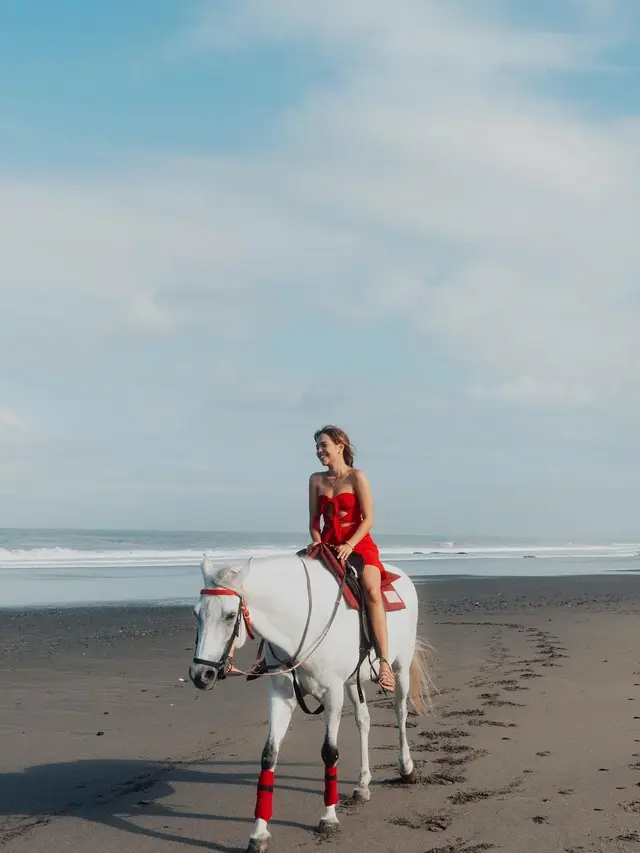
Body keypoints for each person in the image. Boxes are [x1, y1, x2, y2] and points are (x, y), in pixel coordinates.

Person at [306, 425, 395, 692]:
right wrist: (318, 542)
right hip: (328, 545)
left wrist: (349, 544)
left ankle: (383, 662)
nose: (319, 451)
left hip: (358, 545)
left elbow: (368, 519)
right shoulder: (315, 480)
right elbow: (313, 520)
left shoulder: (357, 477)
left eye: (324, 445)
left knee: (371, 588)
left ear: (340, 446)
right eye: (317, 447)